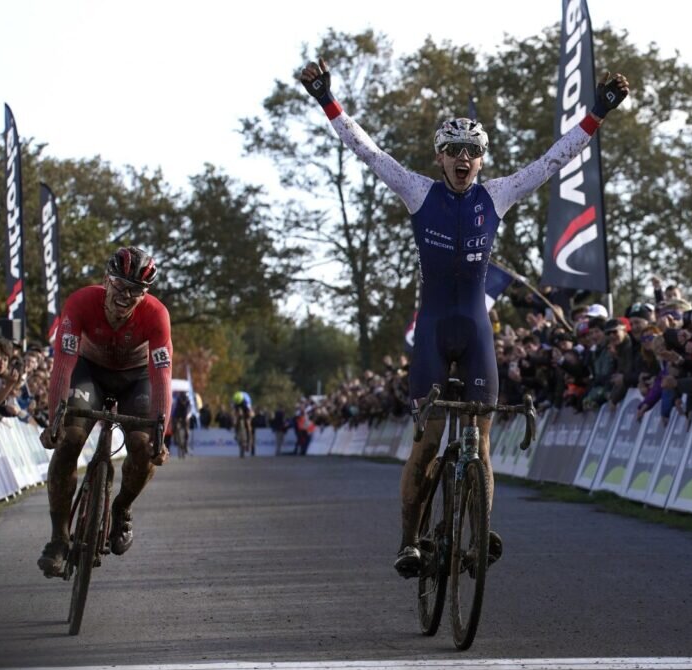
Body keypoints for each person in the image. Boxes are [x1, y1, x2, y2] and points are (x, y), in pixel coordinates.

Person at [300, 58, 629, 578]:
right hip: (432, 332)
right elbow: (366, 150)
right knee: (429, 442)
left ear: (481, 160)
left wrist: (597, 114)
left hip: (476, 331)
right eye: (453, 150)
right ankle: (409, 541)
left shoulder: (496, 195)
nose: (462, 158)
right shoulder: (417, 191)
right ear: (439, 157)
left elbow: (551, 161)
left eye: (472, 151)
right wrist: (327, 100)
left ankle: (480, 525)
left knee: (480, 439)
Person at [36, 246, 172, 578]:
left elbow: (161, 377)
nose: (126, 297)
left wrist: (160, 433)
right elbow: (63, 365)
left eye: (136, 291)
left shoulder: (156, 315)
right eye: (120, 286)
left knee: (142, 446)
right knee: (70, 439)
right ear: (105, 280)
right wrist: (55, 417)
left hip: (136, 378)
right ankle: (58, 537)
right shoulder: (80, 303)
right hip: (89, 371)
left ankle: (122, 508)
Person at [232, 390, 253, 456]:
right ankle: (236, 431)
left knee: (247, 423)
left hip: (245, 406)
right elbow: (233, 411)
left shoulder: (246, 400)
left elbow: (249, 412)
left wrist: (248, 416)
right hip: (238, 404)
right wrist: (235, 418)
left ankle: (249, 443)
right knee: (235, 419)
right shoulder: (234, 399)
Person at [172, 390, 192, 458]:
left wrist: (187, 417)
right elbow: (176, 410)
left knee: (187, 431)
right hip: (178, 416)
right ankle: (175, 437)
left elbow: (189, 409)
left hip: (184, 416)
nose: (183, 401)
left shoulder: (188, 401)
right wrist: (176, 419)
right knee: (175, 427)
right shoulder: (178, 400)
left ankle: (186, 445)